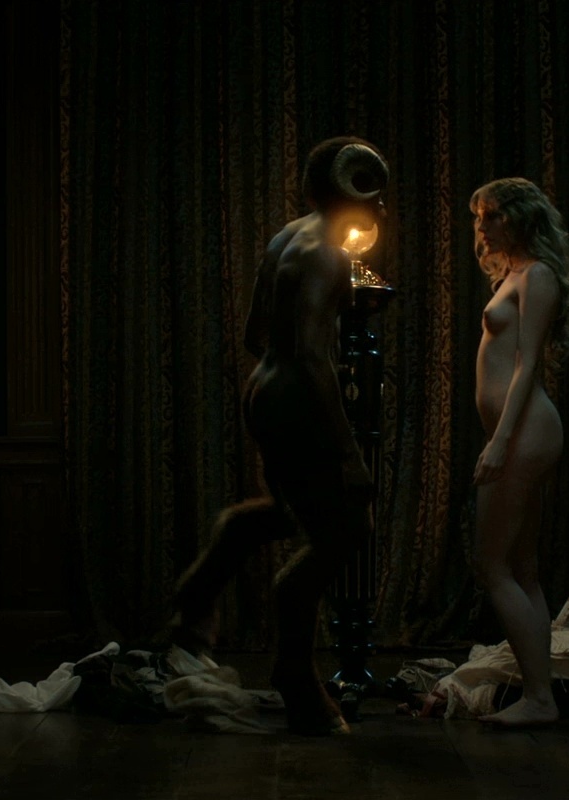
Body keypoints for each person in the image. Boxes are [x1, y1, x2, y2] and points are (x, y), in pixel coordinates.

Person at [162, 136, 389, 736]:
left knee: (287, 511)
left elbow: (254, 334)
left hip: (264, 389)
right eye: (373, 194)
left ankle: (197, 593)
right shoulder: (328, 256)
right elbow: (313, 357)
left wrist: (283, 377)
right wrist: (348, 454)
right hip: (295, 397)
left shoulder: (288, 235)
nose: (381, 207)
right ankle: (294, 674)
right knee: (346, 530)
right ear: (353, 196)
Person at [466, 177, 569, 728]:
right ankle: (541, 693)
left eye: (491, 215)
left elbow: (527, 364)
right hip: (518, 431)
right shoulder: (513, 275)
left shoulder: (536, 275)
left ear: (519, 215)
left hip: (524, 432)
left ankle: (539, 699)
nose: (482, 227)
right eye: (479, 217)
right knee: (522, 569)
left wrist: (499, 441)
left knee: (491, 565)